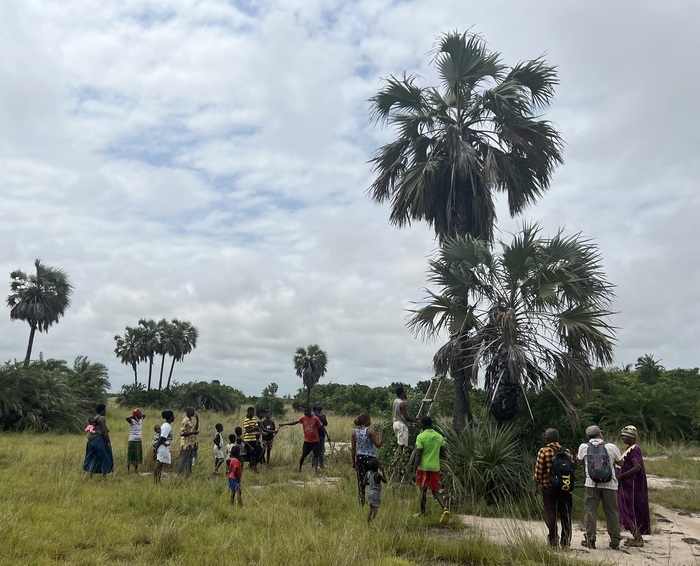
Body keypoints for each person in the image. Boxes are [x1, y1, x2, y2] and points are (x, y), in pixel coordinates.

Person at [577, 425, 623, 550]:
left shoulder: (584, 447)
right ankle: (615, 541)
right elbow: (620, 462)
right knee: (612, 512)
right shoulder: (611, 447)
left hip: (591, 483)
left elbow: (580, 461)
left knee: (591, 511)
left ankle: (590, 539)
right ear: (600, 435)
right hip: (610, 484)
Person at [533, 428, 575, 547]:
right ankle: (565, 542)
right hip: (565, 489)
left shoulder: (544, 451)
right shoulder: (567, 452)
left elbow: (538, 473)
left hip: (549, 488)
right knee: (566, 516)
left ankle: (553, 540)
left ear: (547, 439)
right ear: (558, 438)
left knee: (551, 514)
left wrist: (535, 487)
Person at [617, 425, 650, 547]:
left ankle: (638, 538)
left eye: (625, 436)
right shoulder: (629, 448)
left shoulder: (635, 449)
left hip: (632, 486)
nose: (622, 438)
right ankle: (636, 535)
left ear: (632, 438)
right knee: (626, 510)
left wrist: (621, 476)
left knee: (629, 510)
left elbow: (637, 467)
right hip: (627, 485)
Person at [413, 416, 450, 524]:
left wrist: (414, 470)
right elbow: (443, 454)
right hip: (435, 467)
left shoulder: (421, 437)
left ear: (423, 425)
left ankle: (423, 513)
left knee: (423, 490)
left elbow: (418, 454)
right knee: (435, 490)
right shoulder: (440, 437)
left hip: (424, 468)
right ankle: (445, 508)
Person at [350, 413, 386, 505]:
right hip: (371, 459)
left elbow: (353, 448)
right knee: (373, 479)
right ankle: (373, 501)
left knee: (361, 481)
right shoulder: (370, 431)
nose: (371, 421)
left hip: (360, 458)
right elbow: (378, 445)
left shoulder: (355, 432)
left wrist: (354, 462)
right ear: (366, 420)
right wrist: (382, 433)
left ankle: (361, 501)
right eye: (369, 420)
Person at [279, 407, 324, 472]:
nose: (304, 413)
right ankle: (299, 468)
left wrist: (326, 436)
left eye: (305, 412)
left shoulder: (315, 418)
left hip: (315, 441)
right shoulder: (303, 418)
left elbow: (321, 427)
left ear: (309, 411)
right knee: (303, 455)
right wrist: (284, 424)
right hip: (307, 441)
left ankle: (315, 469)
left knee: (316, 456)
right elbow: (294, 422)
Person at [83, 403, 114, 477]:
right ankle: (104, 476)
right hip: (99, 440)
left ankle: (91, 475)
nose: (106, 411)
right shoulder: (102, 418)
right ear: (102, 410)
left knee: (94, 458)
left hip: (91, 441)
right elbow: (104, 431)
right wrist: (108, 442)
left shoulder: (95, 417)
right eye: (105, 410)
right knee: (104, 457)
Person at [392, 387, 420, 455]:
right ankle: (395, 462)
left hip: (395, 423)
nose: (405, 393)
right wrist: (417, 422)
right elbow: (406, 418)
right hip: (401, 425)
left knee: (400, 444)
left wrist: (414, 418)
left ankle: (397, 462)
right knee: (401, 445)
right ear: (402, 393)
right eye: (404, 392)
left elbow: (403, 415)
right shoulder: (402, 403)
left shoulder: (396, 401)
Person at [154, 410, 175, 485]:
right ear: (170, 417)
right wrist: (156, 448)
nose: (174, 417)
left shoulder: (166, 425)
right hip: (162, 447)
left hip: (163, 447)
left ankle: (157, 481)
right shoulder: (167, 426)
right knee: (158, 465)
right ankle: (156, 482)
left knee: (160, 465)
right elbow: (162, 438)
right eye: (173, 416)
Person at [364, 457, 387, 523]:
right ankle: (372, 521)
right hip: (376, 494)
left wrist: (371, 483)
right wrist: (383, 471)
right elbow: (385, 481)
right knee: (375, 509)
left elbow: (364, 482)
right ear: (377, 467)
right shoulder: (378, 475)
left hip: (370, 492)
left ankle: (368, 522)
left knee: (371, 509)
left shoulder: (368, 473)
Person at [178, 407, 199, 476]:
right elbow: (182, 433)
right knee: (184, 460)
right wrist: (192, 433)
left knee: (189, 461)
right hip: (186, 444)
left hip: (191, 444)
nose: (193, 413)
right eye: (192, 411)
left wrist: (197, 420)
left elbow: (195, 429)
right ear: (188, 412)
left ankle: (187, 474)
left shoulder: (191, 420)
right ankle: (180, 474)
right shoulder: (185, 421)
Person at [125, 408, 145, 474]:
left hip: (138, 441)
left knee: (137, 457)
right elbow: (127, 418)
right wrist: (133, 416)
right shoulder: (132, 421)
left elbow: (144, 415)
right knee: (130, 456)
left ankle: (136, 471)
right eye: (139, 413)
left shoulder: (140, 420)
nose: (141, 414)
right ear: (136, 415)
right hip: (132, 441)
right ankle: (128, 470)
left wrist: (140, 416)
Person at [312, 403, 332, 469]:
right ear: (315, 407)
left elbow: (325, 424)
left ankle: (321, 464)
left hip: (322, 434)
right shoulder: (313, 414)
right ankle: (313, 465)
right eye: (317, 405)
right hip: (315, 434)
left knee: (321, 450)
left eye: (320, 405)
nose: (319, 406)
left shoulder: (323, 415)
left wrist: (324, 418)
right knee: (315, 450)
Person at [242, 407, 261, 473]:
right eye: (252, 412)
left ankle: (253, 467)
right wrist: (254, 428)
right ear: (248, 412)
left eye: (253, 412)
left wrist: (259, 430)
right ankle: (250, 467)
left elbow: (256, 427)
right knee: (248, 454)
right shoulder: (246, 420)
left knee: (254, 454)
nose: (253, 414)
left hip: (253, 439)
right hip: (247, 440)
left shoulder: (253, 419)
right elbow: (248, 431)